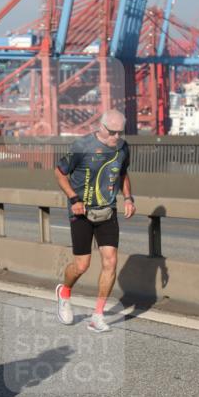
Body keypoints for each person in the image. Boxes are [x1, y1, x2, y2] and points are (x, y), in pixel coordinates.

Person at [53, 109, 135, 332]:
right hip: (81, 211)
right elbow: (60, 172)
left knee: (110, 261)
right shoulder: (82, 147)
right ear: (101, 127)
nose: (116, 137)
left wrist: (128, 198)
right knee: (82, 265)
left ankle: (97, 316)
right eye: (112, 132)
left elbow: (122, 174)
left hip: (107, 211)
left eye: (120, 132)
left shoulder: (123, 147)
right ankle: (64, 292)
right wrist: (74, 198)